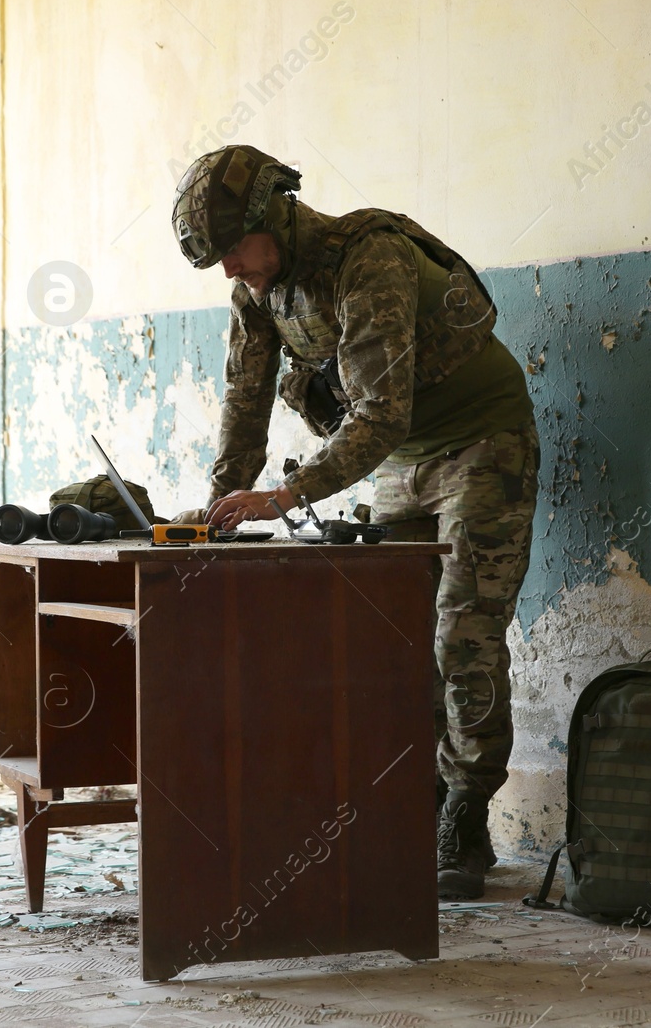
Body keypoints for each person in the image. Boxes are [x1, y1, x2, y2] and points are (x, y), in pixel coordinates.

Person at [169, 145, 541, 899]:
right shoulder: (260, 290)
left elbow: (378, 413)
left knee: (463, 635)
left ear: (275, 216)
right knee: (395, 643)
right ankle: (423, 801)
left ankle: (466, 813)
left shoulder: (369, 260)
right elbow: (245, 407)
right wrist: (217, 507)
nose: (230, 270)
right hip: (406, 457)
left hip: (481, 442)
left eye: (235, 249)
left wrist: (283, 497)